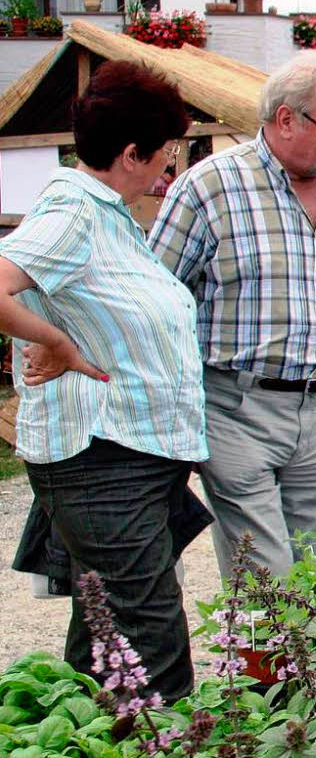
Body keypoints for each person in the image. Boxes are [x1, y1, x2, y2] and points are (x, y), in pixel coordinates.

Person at [0, 60, 211, 701]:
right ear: (130, 153)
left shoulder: (111, 213)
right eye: (165, 153)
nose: (167, 169)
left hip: (129, 459)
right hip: (101, 462)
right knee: (153, 643)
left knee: (104, 633)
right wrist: (57, 342)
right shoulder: (74, 210)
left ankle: (84, 734)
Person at [150, 50, 316, 578]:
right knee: (264, 573)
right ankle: (260, 663)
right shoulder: (210, 187)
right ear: (286, 118)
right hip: (235, 407)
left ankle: (301, 664)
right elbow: (153, 296)